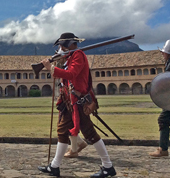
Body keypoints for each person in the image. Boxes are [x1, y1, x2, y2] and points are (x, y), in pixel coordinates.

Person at [38, 32, 116, 178]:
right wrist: (57, 64)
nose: (60, 47)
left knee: (90, 134)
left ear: (69, 44)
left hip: (79, 101)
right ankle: (55, 166)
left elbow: (72, 74)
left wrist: (51, 69)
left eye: (62, 45)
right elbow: (65, 76)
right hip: (69, 101)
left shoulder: (78, 55)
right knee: (62, 130)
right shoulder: (69, 57)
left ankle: (108, 166)